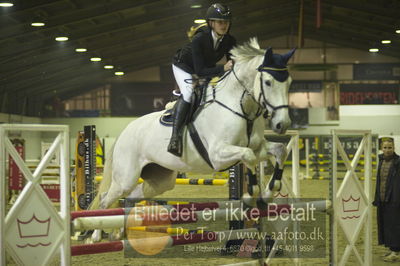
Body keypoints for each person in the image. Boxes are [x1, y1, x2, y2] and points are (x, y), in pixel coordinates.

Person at [167, 3, 237, 157]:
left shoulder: (230, 41)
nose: (223, 25)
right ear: (211, 23)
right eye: (220, 22)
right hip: (184, 66)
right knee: (189, 93)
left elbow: (233, 66)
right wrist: (222, 69)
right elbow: (200, 72)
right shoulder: (200, 39)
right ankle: (175, 138)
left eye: (226, 22)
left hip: (206, 68)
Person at [373, 138, 400, 262]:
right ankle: (392, 249)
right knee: (386, 225)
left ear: (394, 148)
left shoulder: (398, 162)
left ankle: (396, 252)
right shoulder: (381, 160)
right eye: (385, 147)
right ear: (381, 148)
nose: (387, 150)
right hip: (383, 199)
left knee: (394, 225)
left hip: (395, 200)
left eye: (390, 147)